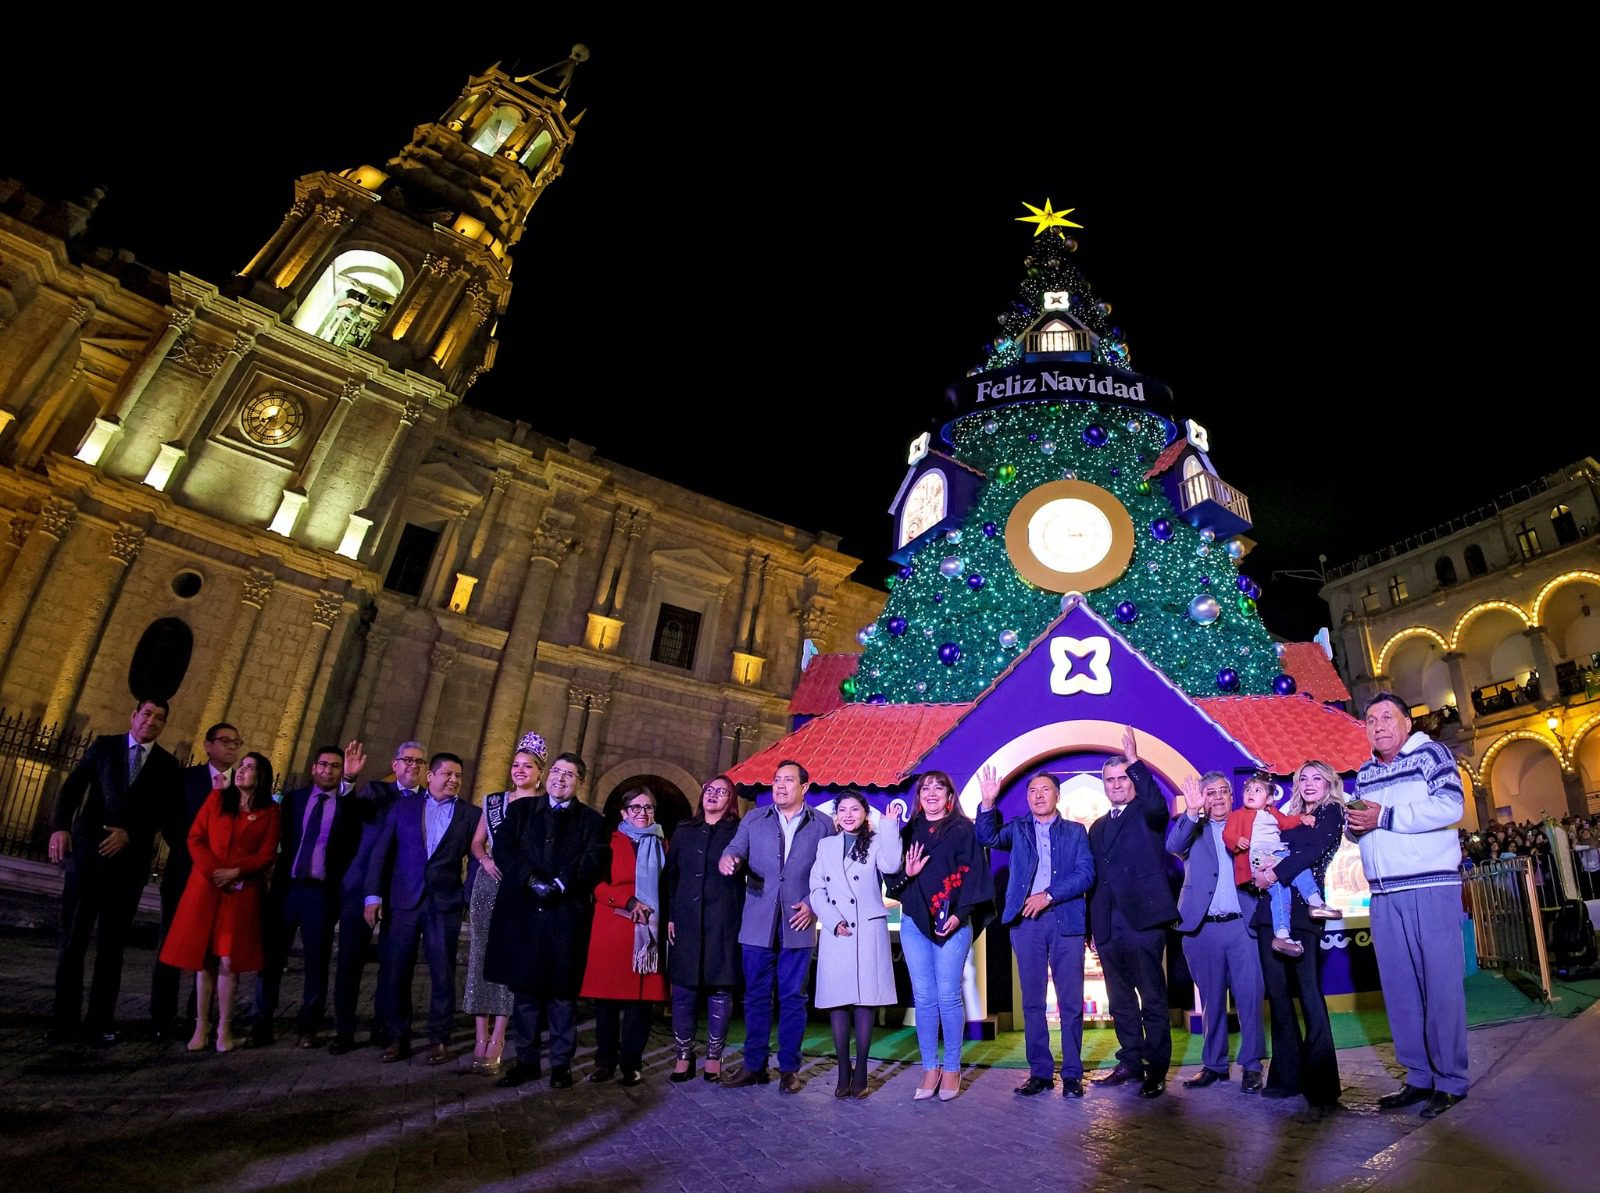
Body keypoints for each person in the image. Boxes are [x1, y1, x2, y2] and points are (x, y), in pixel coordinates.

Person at [1348, 692, 1469, 1120]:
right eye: (1370, 720)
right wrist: (1356, 827)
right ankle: (1418, 1077)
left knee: (1440, 987)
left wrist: (1383, 817)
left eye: (1386, 716)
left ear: (1406, 722)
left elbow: (1451, 805)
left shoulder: (1431, 754)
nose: (1377, 725)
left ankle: (1451, 1080)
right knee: (1400, 992)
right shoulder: (1363, 772)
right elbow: (1370, 824)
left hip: (1429, 887)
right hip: (1383, 895)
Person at [49, 698, 183, 1045]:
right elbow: (73, 787)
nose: (152, 722)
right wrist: (60, 827)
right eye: (147, 714)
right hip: (87, 857)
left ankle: (99, 1022)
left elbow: (165, 814)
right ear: (133, 715)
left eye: (160, 718)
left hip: (127, 868)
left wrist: (132, 834)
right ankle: (63, 1020)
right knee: (73, 940)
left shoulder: (167, 765)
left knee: (112, 947)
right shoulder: (104, 746)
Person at [486, 752, 608, 1089]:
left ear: (580, 782)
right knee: (524, 994)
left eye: (569, 774)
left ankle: (560, 1064)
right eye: (555, 771)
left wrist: (559, 883)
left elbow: (594, 857)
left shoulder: (592, 821)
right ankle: (525, 1061)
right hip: (524, 911)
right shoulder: (521, 810)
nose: (560, 778)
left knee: (561, 997)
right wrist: (529, 879)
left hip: (564, 915)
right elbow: (505, 849)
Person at [975, 767, 1094, 1098]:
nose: (1038, 795)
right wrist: (987, 803)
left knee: (1070, 1002)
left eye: (1044, 790)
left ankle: (1072, 1074)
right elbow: (987, 837)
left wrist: (1049, 895)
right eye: (1032, 791)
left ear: (1058, 795)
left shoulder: (1075, 832)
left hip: (1065, 920)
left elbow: (1086, 874)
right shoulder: (1018, 830)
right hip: (1026, 923)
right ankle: (1040, 1072)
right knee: (1032, 1001)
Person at [718, 759, 836, 1094]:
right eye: (776, 780)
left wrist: (814, 904)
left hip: (797, 924)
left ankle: (789, 1069)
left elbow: (830, 874)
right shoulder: (755, 819)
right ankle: (754, 1065)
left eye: (788, 780)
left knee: (793, 997)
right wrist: (730, 860)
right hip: (757, 923)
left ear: (805, 787)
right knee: (756, 996)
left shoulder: (823, 824)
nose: (780, 785)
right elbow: (734, 849)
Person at [158, 752, 281, 1052]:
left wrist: (237, 872)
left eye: (250, 768)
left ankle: (224, 1029)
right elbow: (195, 838)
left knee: (229, 959)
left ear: (261, 776)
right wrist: (215, 871)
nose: (242, 771)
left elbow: (267, 853)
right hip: (207, 887)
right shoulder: (216, 799)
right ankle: (202, 1026)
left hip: (241, 892)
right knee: (205, 960)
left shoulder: (271, 811)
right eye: (242, 767)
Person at [363, 752, 480, 1064]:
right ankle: (396, 1037)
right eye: (447, 774)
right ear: (430, 776)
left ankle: (439, 1039)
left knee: (443, 974)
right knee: (396, 971)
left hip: (444, 904)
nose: (453, 780)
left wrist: (466, 896)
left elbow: (479, 858)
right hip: (403, 901)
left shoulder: (470, 814)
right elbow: (381, 853)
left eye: (458, 776)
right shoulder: (403, 807)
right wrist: (373, 896)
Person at [887, 770, 993, 1102]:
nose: (931, 792)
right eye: (925, 788)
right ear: (918, 797)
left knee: (948, 995)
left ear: (950, 795)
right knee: (924, 997)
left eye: (939, 787)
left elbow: (976, 875)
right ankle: (929, 1067)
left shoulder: (964, 830)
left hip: (954, 922)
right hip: (915, 923)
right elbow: (893, 885)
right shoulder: (909, 832)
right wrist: (909, 872)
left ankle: (951, 1068)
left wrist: (960, 915)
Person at [1087, 726, 1179, 1098]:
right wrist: (1094, 928)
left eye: (1123, 777)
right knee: (1120, 998)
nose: (1117, 784)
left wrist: (1137, 761)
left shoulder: (1148, 812)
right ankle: (1130, 1061)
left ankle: (1156, 1070)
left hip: (1144, 922)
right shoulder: (1096, 827)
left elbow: (1159, 806)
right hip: (1109, 926)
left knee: (1153, 998)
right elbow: (1095, 879)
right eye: (1110, 780)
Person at [1251, 759, 1347, 1114]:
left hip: (1303, 915)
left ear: (1329, 782)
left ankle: (1321, 1084)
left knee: (1308, 994)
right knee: (1277, 996)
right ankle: (1287, 1077)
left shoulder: (1333, 812)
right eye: (1302, 778)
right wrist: (1261, 868)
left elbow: (1313, 851)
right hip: (1269, 914)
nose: (1308, 783)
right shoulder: (1285, 815)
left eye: (1316, 777)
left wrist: (1274, 873)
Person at [255, 744, 362, 1048]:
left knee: (316, 962)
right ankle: (261, 1022)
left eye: (335, 767)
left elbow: (353, 836)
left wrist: (352, 782)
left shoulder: (346, 807)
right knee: (271, 958)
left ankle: (307, 1027)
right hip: (286, 888)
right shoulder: (293, 800)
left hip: (321, 893)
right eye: (324, 765)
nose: (328, 771)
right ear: (314, 768)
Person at [1166, 771, 1266, 1093]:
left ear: (1232, 796)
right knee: (1211, 1001)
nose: (1219, 797)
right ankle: (1214, 1065)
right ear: (1202, 798)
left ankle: (1251, 1066)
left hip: (1242, 925)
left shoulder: (1250, 824)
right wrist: (1191, 811)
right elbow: (1173, 844)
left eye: (1224, 791)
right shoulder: (1193, 829)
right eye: (1211, 793)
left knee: (1250, 998)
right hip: (1203, 929)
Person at [330, 739, 426, 1054]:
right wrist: (347, 780)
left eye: (419, 762)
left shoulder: (428, 801)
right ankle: (343, 1031)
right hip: (360, 888)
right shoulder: (375, 792)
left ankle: (383, 1029)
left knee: (394, 964)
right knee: (349, 961)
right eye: (407, 760)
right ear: (395, 765)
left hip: (402, 894)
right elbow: (347, 813)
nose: (413, 766)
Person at [810, 789, 904, 1099]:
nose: (849, 814)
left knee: (864, 1001)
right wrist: (831, 917)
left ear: (865, 814)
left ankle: (861, 1069)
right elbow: (816, 888)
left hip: (867, 928)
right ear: (836, 816)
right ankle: (842, 1069)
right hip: (838, 930)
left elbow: (891, 866)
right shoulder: (826, 845)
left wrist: (890, 826)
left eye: (855, 809)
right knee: (837, 1001)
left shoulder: (877, 841)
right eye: (843, 810)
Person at [152, 721, 240, 1040]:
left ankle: (197, 1016)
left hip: (221, 883)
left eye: (235, 742)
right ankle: (161, 1017)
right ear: (208, 745)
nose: (231, 747)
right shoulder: (185, 780)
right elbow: (171, 822)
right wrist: (199, 855)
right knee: (171, 943)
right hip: (184, 872)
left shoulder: (241, 789)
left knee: (210, 950)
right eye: (224, 741)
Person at [463, 731, 545, 1074]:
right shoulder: (493, 802)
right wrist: (484, 860)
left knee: (510, 957)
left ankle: (498, 1035)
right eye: (516, 765)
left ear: (540, 772)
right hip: (488, 883)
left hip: (518, 886)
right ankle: (479, 1033)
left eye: (527, 766)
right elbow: (477, 843)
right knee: (480, 954)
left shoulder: (543, 807)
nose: (520, 770)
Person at [581, 784, 668, 1086]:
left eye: (648, 808)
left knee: (639, 1004)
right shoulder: (610, 841)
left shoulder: (662, 844)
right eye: (636, 808)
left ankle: (631, 1063)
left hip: (647, 934)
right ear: (623, 812)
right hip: (614, 930)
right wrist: (627, 901)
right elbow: (597, 884)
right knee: (606, 1003)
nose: (642, 813)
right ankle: (605, 1061)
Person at [663, 774, 743, 1083]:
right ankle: (683, 1056)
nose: (713, 795)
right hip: (685, 919)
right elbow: (671, 876)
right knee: (683, 989)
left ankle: (713, 1056)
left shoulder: (737, 831)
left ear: (730, 801)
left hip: (723, 921)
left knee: (720, 989)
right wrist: (671, 914)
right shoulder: (685, 830)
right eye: (710, 789)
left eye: (722, 792)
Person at [1222, 774, 1339, 957]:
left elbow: (1286, 822)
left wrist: (1302, 818)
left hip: (1278, 853)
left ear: (1268, 799)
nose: (1251, 793)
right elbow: (1227, 834)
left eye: (1257, 790)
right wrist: (1237, 840)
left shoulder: (1272, 813)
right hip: (1260, 857)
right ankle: (1307, 909)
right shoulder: (1238, 815)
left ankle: (1286, 931)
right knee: (1289, 877)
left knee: (1287, 884)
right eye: (1248, 790)